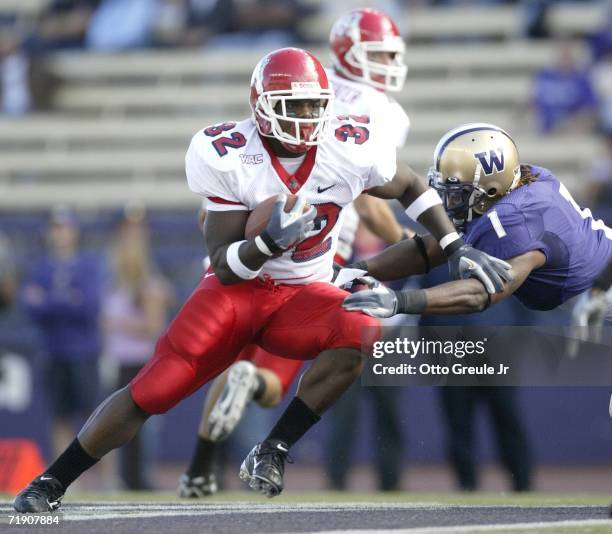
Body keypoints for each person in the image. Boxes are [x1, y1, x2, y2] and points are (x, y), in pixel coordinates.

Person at [14, 48, 509, 512]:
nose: (307, 119)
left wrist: (455, 246)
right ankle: (51, 483)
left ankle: (272, 447)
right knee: (155, 389)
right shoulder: (227, 151)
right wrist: (269, 242)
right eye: (294, 106)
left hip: (305, 295)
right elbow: (224, 262)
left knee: (361, 327)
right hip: (236, 293)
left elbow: (409, 186)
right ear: (263, 106)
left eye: (315, 106)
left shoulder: (347, 144)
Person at [178, 7, 414, 497]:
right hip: (314, 256)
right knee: (282, 373)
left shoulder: (298, 85)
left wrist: (234, 241)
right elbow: (372, 198)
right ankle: (255, 421)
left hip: (249, 248)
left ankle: (200, 468)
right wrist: (407, 245)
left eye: (393, 53)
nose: (390, 62)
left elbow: (220, 206)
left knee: (227, 358)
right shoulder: (381, 113)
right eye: (382, 53)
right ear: (353, 52)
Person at [342, 122, 612, 319]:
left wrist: (399, 301)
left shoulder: (519, 220)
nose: (448, 203)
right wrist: (356, 270)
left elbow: (483, 292)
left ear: (491, 191)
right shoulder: (506, 192)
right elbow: (432, 249)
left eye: (457, 194)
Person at [21, 206, 103, 461]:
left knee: (97, 416)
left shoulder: (88, 265)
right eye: (56, 228)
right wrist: (67, 301)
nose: (60, 234)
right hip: (54, 349)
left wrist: (50, 302)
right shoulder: (40, 266)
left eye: (65, 227)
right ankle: (62, 480)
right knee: (60, 416)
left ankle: (108, 478)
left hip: (84, 350)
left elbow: (89, 305)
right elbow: (30, 306)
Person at [101, 203, 173, 489]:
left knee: (142, 426)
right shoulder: (113, 279)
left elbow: (154, 326)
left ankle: (141, 477)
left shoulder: (149, 282)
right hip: (118, 359)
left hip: (141, 359)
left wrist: (118, 323)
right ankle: (125, 477)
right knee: (117, 421)